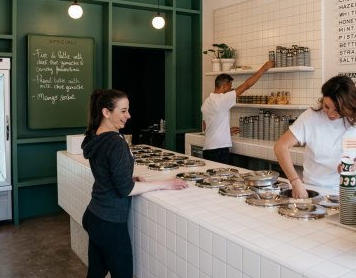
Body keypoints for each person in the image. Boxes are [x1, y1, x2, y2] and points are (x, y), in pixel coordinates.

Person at [81, 89, 188, 278]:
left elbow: (106, 173)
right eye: (123, 111)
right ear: (106, 112)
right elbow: (126, 190)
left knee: (95, 273)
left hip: (94, 215)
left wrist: (126, 177)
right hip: (110, 222)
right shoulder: (115, 142)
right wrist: (165, 183)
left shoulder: (95, 136)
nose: (128, 116)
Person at [273, 75, 356, 198]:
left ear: (349, 107)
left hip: (351, 191)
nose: (330, 114)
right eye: (326, 106)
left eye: (337, 110)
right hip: (316, 189)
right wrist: (295, 181)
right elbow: (280, 146)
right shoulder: (311, 117)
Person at [201, 60, 275, 164]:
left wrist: (226, 131)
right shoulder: (222, 99)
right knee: (222, 179)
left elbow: (206, 126)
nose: (230, 91)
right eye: (229, 88)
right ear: (224, 86)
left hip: (208, 149)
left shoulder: (206, 102)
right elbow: (246, 85)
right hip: (219, 150)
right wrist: (264, 68)